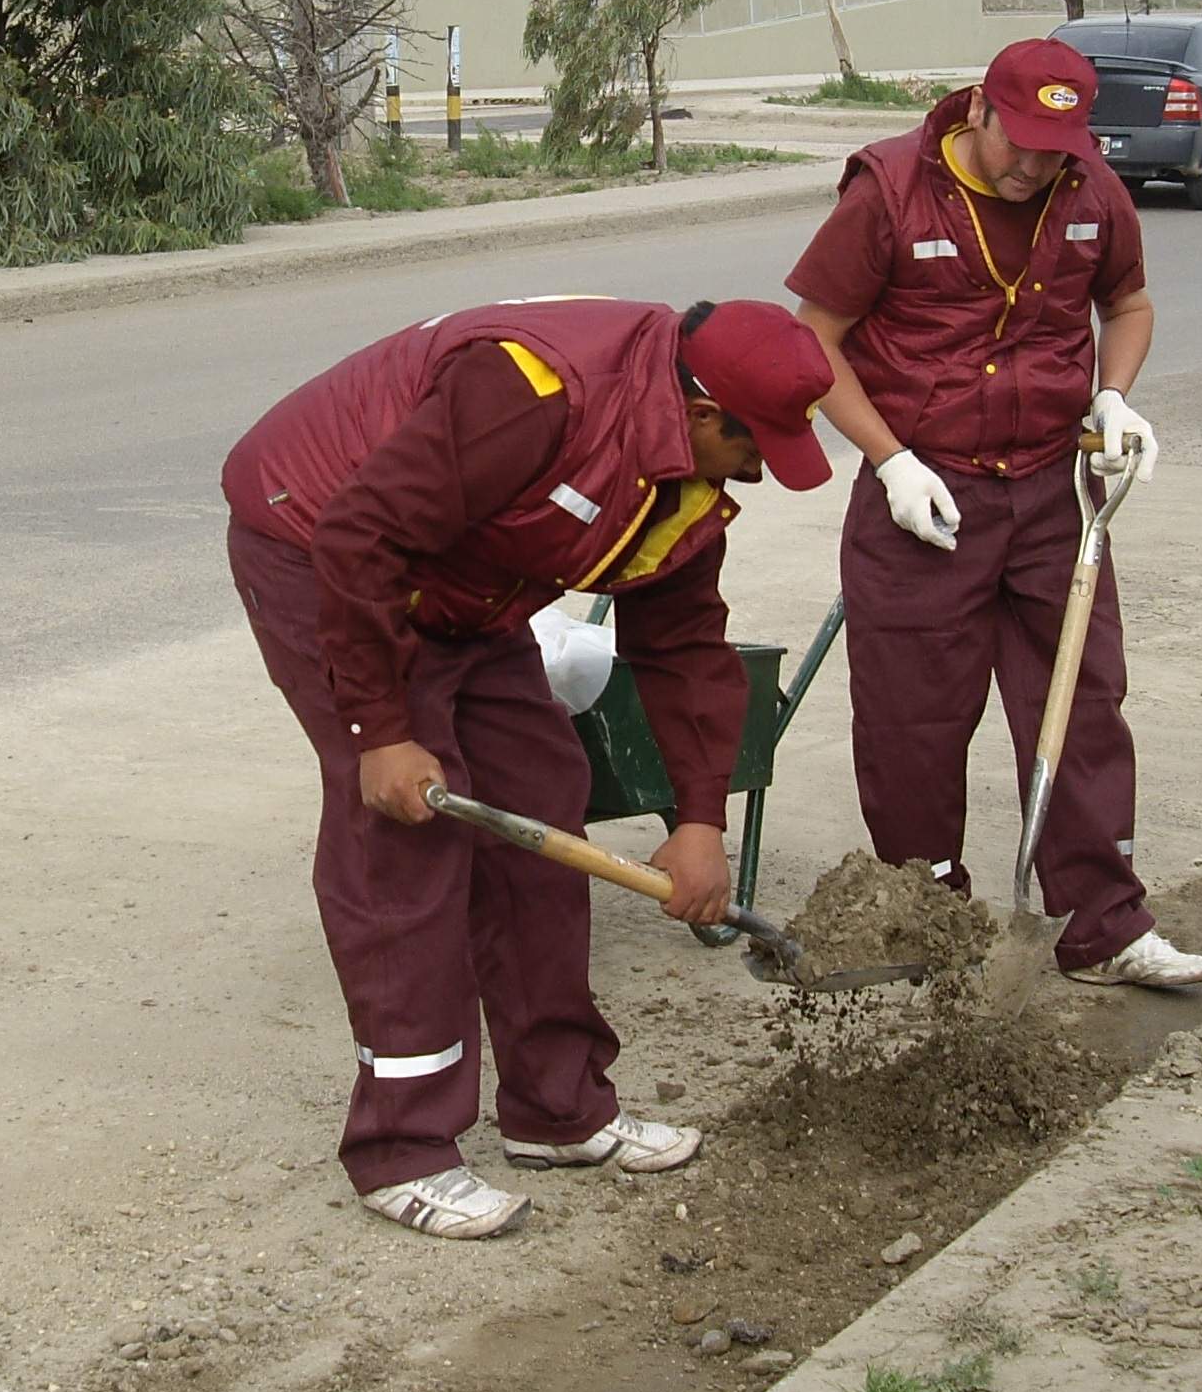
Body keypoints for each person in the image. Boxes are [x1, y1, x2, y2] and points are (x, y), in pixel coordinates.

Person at [222, 296, 833, 1239]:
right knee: (413, 832)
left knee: (542, 793)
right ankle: (403, 1149)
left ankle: (558, 1107)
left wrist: (700, 820)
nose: (759, 472)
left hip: (467, 586)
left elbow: (680, 647)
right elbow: (361, 537)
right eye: (757, 447)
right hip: (319, 544)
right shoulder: (534, 390)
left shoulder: (680, 477)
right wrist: (380, 729)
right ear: (704, 413)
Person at [788, 37, 1202, 992]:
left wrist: (1113, 395)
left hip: (1052, 494)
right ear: (980, 109)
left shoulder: (1090, 189)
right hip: (922, 500)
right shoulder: (891, 192)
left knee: (1081, 702)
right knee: (913, 723)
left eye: (1055, 147)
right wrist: (890, 461)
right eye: (1020, 140)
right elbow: (813, 339)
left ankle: (1103, 923)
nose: (1034, 165)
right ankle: (929, 927)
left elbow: (1130, 302)